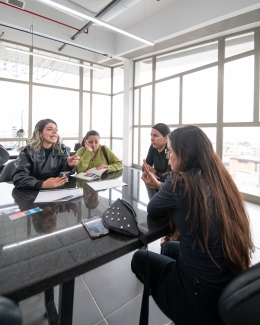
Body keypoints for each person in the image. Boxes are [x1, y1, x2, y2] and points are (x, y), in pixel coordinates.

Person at [132, 125, 254, 325]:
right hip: (229, 287)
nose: (168, 156)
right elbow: (187, 199)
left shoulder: (180, 180)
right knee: (170, 247)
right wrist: (161, 185)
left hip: (201, 298)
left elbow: (154, 209)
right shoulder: (220, 178)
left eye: (171, 151)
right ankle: (177, 287)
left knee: (138, 258)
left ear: (184, 154)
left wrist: (163, 185)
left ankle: (182, 303)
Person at [12, 119, 80, 189]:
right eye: (49, 129)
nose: (54, 132)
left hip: (56, 190)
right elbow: (19, 178)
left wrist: (69, 166)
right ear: (40, 133)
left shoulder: (62, 150)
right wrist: (42, 184)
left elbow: (64, 174)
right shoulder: (27, 152)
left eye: (56, 130)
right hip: (33, 191)